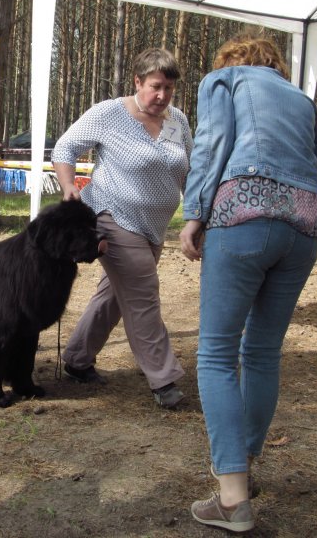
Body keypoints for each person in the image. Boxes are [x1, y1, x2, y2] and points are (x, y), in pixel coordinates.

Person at [180, 34, 317, 532]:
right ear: (276, 64)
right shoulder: (302, 98)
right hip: (306, 224)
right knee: (262, 352)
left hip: (244, 211)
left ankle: (232, 498)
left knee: (216, 353)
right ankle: (245, 469)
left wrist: (194, 214)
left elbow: (212, 144)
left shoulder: (224, 79)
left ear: (230, 60)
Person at [51, 47, 192, 409]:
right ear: (137, 82)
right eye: (156, 87)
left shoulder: (178, 121)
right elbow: (65, 147)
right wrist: (69, 186)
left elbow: (189, 171)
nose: (162, 96)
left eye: (169, 89)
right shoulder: (109, 113)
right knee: (143, 293)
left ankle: (77, 360)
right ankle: (163, 380)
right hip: (112, 218)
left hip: (154, 226)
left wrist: (196, 215)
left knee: (114, 296)